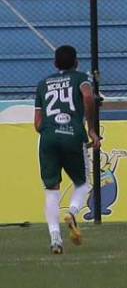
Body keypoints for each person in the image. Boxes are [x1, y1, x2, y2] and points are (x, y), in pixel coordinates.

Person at [33, 45, 101, 253]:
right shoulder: (81, 78)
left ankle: (55, 239)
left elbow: (37, 123)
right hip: (73, 135)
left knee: (51, 190)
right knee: (83, 183)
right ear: (76, 62)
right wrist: (91, 129)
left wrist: (51, 131)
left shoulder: (43, 84)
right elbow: (88, 96)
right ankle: (71, 212)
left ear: (55, 63)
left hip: (48, 138)